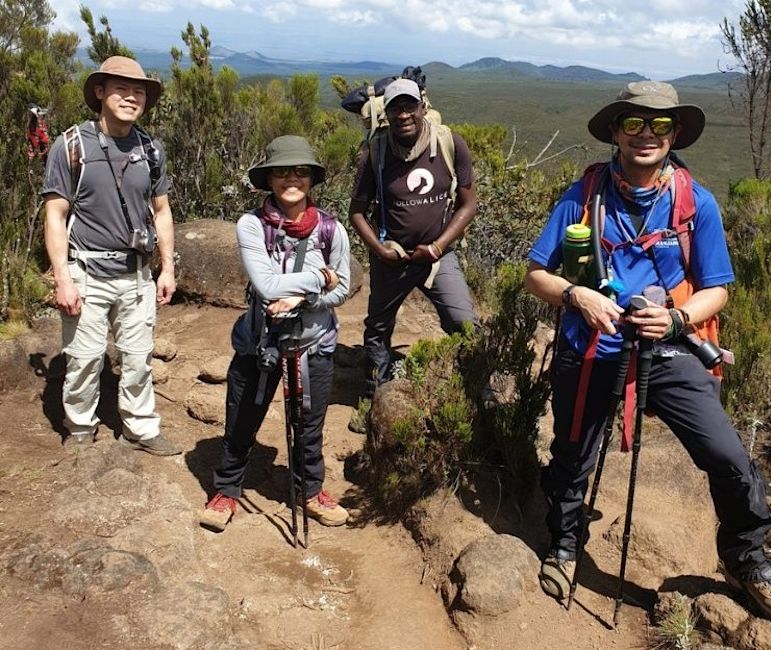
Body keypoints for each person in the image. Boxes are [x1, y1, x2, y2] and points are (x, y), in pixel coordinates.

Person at [526, 81, 771, 625]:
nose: (646, 135)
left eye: (659, 125)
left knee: (725, 454)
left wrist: (675, 318)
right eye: (634, 124)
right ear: (615, 132)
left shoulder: (695, 202)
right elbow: (536, 274)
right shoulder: (581, 197)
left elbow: (717, 288)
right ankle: (564, 540)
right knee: (573, 451)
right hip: (592, 342)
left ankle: (745, 555)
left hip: (670, 344)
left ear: (675, 134)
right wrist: (576, 294)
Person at [200, 135, 351, 532]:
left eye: (300, 171)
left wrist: (301, 300)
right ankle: (227, 490)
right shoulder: (251, 225)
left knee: (310, 424)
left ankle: (309, 490)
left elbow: (344, 287)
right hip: (259, 344)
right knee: (241, 419)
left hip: (313, 345)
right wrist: (318, 276)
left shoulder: (331, 231)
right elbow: (266, 286)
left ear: (312, 178)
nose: (291, 179)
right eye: (282, 171)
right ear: (268, 179)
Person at [42, 56, 180, 456]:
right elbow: (56, 214)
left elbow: (162, 210)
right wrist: (62, 278)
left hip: (136, 273)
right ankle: (81, 428)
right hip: (86, 270)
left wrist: (167, 268)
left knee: (138, 358)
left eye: (138, 91)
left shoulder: (150, 149)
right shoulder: (71, 146)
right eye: (121, 89)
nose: (131, 97)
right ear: (100, 92)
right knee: (84, 359)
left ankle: (140, 427)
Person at [348, 78, 478, 394]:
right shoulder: (376, 152)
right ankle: (375, 390)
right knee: (378, 327)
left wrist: (437, 246)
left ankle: (472, 388)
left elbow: (469, 203)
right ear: (386, 114)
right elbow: (356, 212)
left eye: (409, 106)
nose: (403, 114)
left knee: (465, 325)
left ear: (422, 108)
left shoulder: (450, 142)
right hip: (392, 256)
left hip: (438, 257)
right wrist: (380, 250)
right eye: (395, 108)